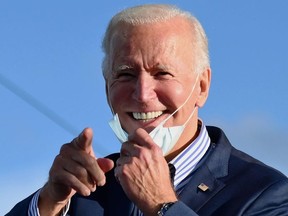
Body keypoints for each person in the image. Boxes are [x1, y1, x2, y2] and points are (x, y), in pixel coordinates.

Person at [7, 4, 288, 216]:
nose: (142, 94)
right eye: (126, 74)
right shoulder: (84, 193)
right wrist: (48, 202)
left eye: (162, 73)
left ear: (201, 86)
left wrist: (162, 206)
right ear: (107, 87)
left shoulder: (266, 193)